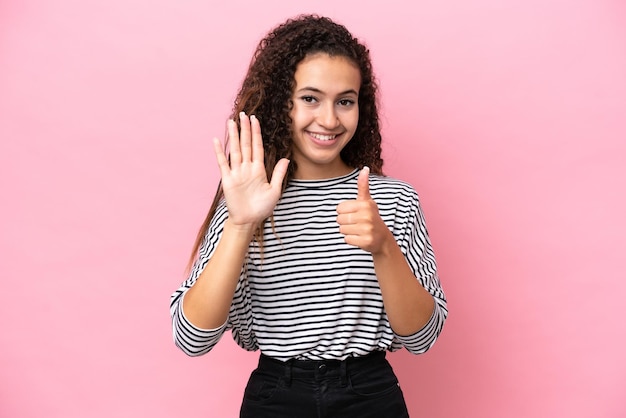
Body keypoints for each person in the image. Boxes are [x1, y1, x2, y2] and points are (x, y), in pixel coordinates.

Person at [170, 14, 447, 417]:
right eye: (310, 98)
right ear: (283, 101)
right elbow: (191, 339)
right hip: (276, 395)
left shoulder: (394, 201)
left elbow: (423, 338)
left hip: (369, 394)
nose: (330, 119)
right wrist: (241, 224)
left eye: (345, 101)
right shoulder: (247, 199)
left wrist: (383, 246)